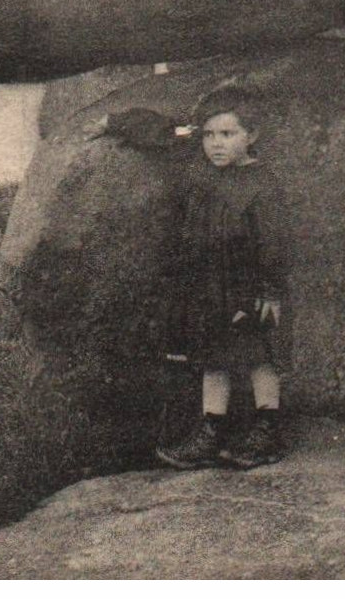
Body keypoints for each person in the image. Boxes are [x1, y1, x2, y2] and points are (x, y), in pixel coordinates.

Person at [85, 88, 293, 469]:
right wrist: (115, 123)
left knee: (258, 356)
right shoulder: (200, 167)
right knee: (213, 356)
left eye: (228, 135)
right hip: (210, 286)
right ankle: (211, 431)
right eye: (210, 135)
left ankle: (268, 428)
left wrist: (270, 290)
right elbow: (164, 132)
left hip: (247, 286)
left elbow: (274, 243)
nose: (216, 144)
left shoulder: (262, 185)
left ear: (253, 136)